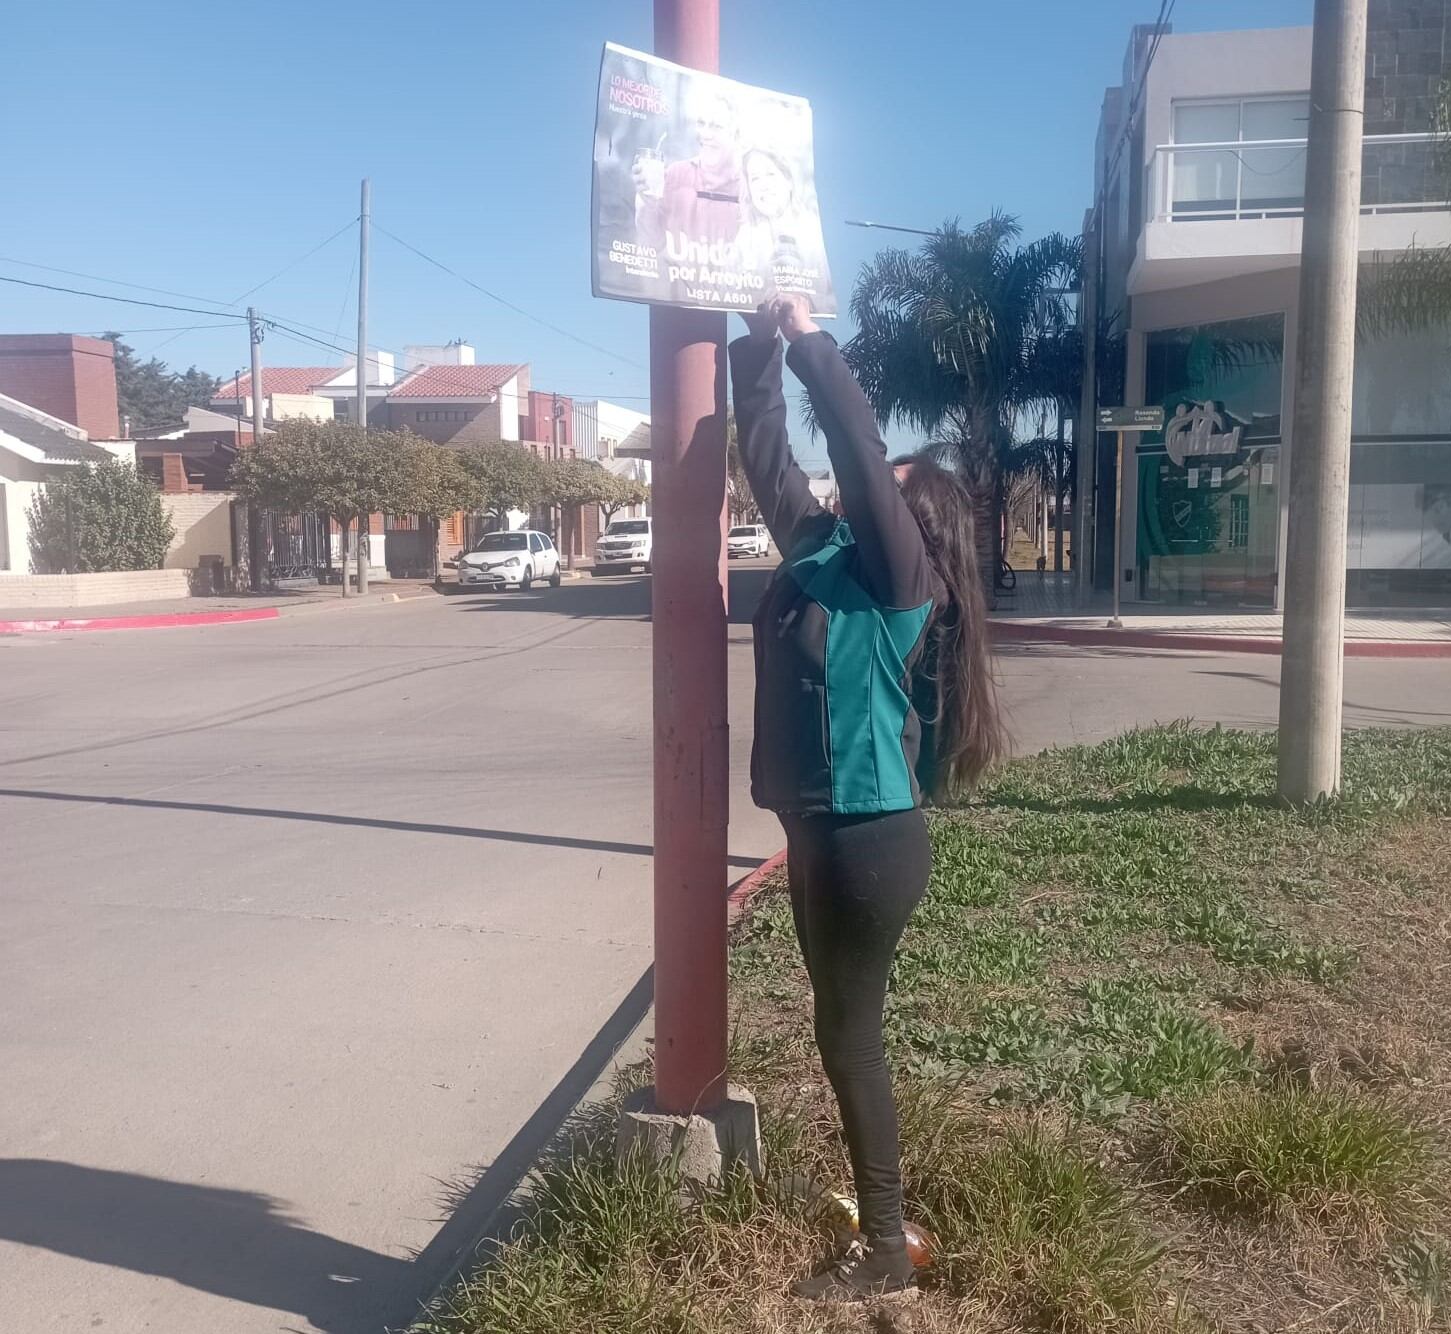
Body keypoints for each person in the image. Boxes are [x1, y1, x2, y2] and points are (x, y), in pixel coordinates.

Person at [729, 294, 1005, 1302]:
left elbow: (851, 438)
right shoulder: (820, 560)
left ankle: (885, 1247)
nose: (856, 493)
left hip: (867, 841)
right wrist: (757, 352)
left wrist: (807, 336)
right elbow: (766, 455)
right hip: (821, 832)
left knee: (851, 1034)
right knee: (839, 1030)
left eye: (881, 490)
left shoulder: (899, 577)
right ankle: (881, 1222)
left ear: (911, 517)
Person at [633, 91, 742, 251]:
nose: (705, 134)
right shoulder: (676, 174)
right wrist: (647, 204)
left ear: (735, 134)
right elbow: (651, 245)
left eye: (716, 126)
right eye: (701, 123)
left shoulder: (748, 185)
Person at [734, 146, 829, 297]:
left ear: (788, 180)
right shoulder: (745, 238)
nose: (763, 185)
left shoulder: (811, 232)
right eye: (755, 178)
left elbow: (824, 295)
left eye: (770, 174)